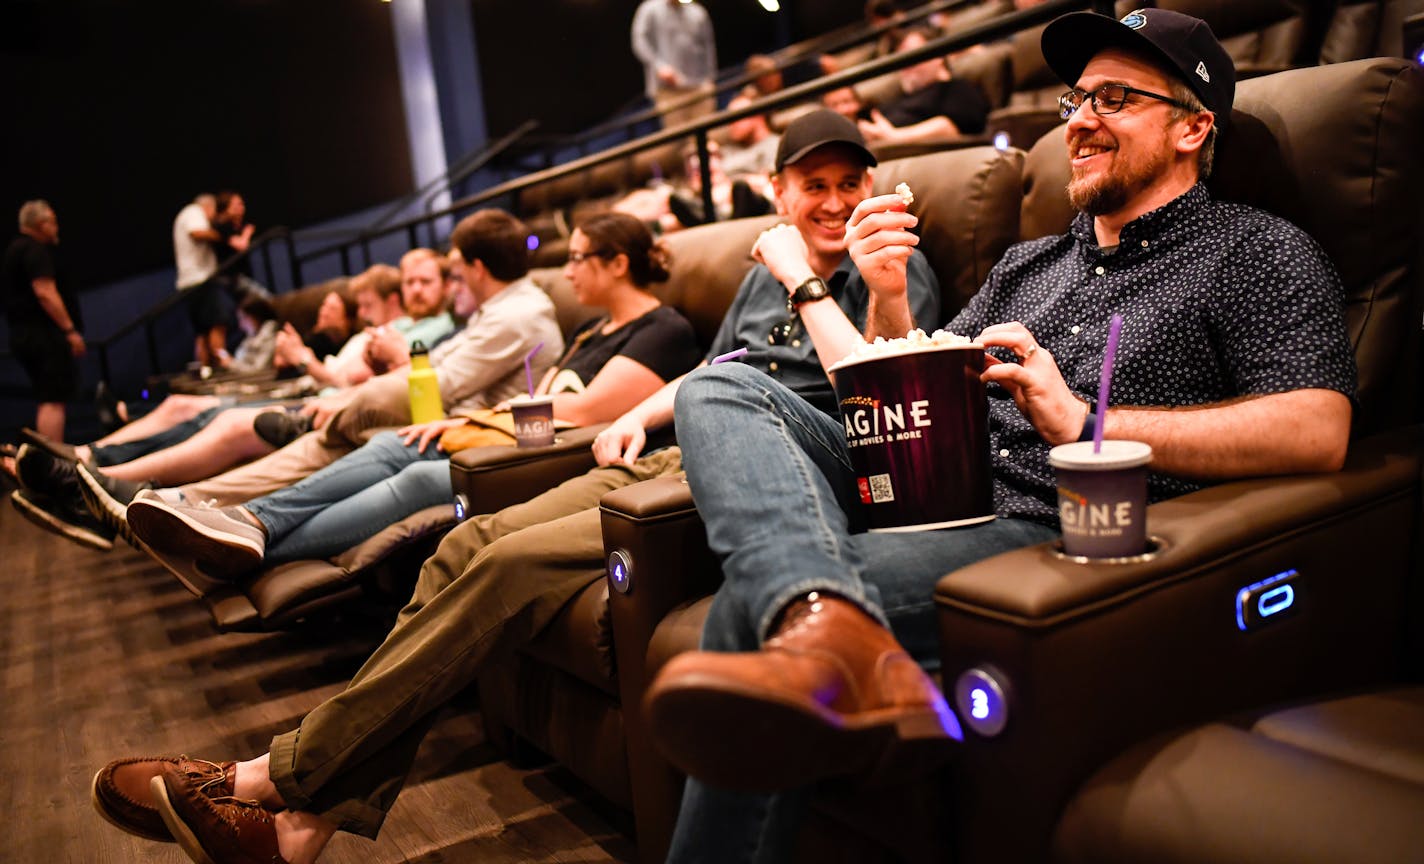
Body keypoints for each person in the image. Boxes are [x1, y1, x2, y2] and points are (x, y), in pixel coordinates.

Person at [87, 109, 940, 864]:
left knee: (505, 567)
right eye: (813, 184)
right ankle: (298, 833)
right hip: (681, 445)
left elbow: (883, 399)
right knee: (463, 540)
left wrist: (819, 279)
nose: (833, 202)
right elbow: (723, 367)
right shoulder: (761, 271)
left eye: (849, 182)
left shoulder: (887, 257)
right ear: (779, 192)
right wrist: (645, 409)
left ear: (873, 185)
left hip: (778, 470)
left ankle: (269, 779)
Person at [642, 10, 1357, 862]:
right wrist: (887, 300)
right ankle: (823, 611)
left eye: (1116, 98)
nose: (1080, 122)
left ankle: (814, 615)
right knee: (725, 386)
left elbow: (1319, 428)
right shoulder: (1028, 265)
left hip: (1049, 519)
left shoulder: (1254, 251)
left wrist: (1083, 421)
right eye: (1076, 99)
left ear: (1193, 126)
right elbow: (904, 391)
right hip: (939, 477)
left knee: (748, 616)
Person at [121, 213, 700, 589]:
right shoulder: (589, 333)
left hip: (551, 457)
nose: (565, 269)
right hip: (511, 439)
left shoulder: (663, 328)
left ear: (619, 264)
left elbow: (587, 411)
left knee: (419, 477)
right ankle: (247, 523)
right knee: (393, 445)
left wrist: (472, 418)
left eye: (577, 258)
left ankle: (242, 553)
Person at [2, 200, 83, 442]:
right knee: (52, 399)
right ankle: (54, 462)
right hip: (42, 337)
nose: (57, 227)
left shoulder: (15, 249)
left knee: (49, 397)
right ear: (40, 224)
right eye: (53, 221)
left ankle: (50, 460)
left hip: (25, 335)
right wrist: (70, 330)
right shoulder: (34, 250)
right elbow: (45, 292)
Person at [857, 26, 991, 148]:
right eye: (901, 59)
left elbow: (950, 127)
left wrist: (893, 136)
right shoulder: (899, 98)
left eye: (912, 56)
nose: (905, 66)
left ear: (938, 57)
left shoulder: (956, 89)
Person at [632, 0, 717, 128]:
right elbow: (640, 42)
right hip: (668, 90)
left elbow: (708, 46)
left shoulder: (698, 12)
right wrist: (659, 67)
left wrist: (710, 79)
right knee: (680, 142)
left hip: (699, 86)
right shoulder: (649, 9)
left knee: (708, 134)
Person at [172, 194, 231, 368]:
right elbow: (197, 233)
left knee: (202, 331)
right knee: (218, 323)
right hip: (201, 279)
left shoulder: (184, 215)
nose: (213, 217)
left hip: (188, 283)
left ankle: (206, 372)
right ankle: (221, 368)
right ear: (208, 206)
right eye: (214, 211)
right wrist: (221, 236)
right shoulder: (194, 211)